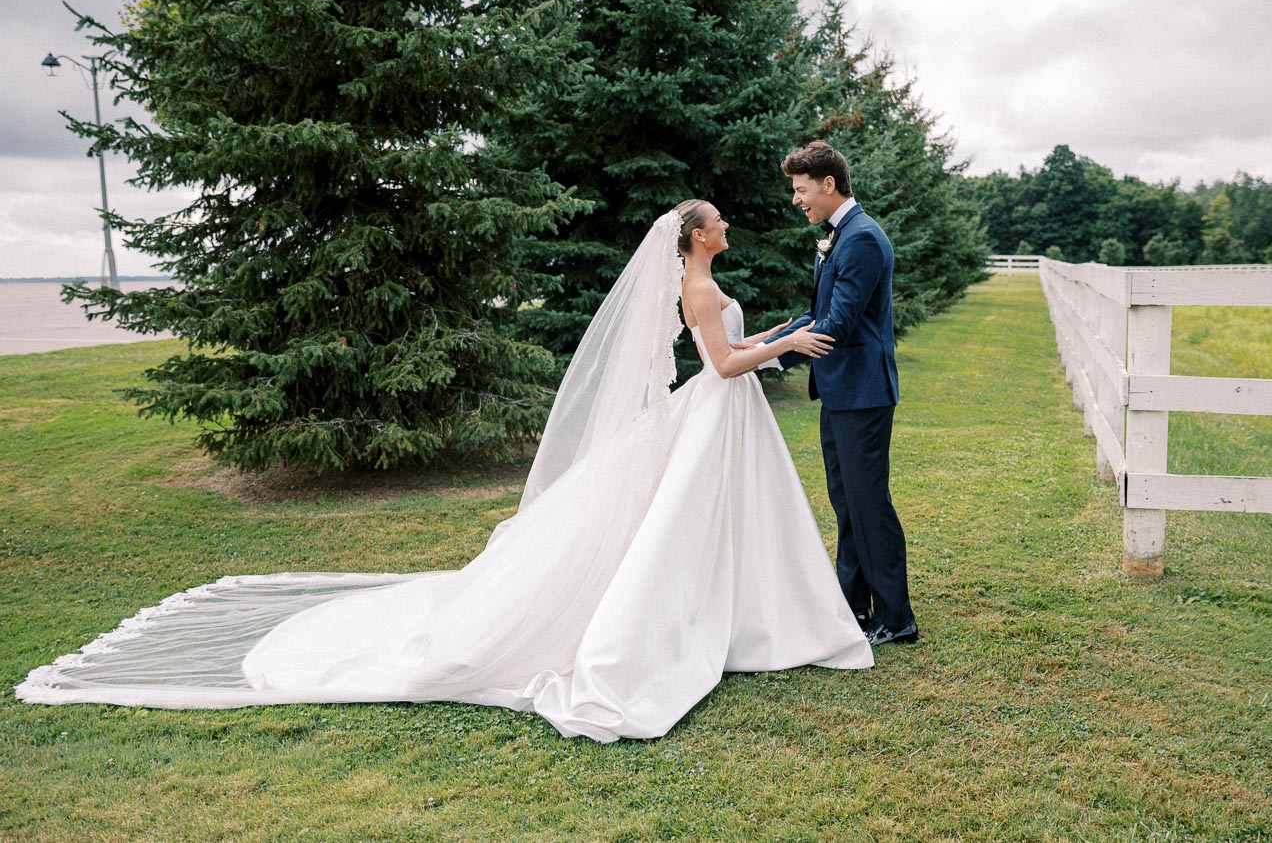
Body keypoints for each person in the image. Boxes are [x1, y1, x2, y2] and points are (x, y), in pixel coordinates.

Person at [16, 204, 872, 743]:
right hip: (717, 409)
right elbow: (717, 364)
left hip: (725, 420)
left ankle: (751, 616)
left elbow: (726, 356)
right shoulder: (692, 288)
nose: (726, 227)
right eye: (715, 222)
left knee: (720, 525)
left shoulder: (706, 279)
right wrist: (783, 346)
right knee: (675, 531)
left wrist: (772, 341)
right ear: (695, 238)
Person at [762, 141, 918, 646]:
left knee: (869, 503)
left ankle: (895, 618)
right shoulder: (841, 235)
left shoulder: (862, 239)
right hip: (840, 390)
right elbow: (817, 313)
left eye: (800, 190)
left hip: (863, 392)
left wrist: (773, 356)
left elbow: (838, 325)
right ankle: (852, 607)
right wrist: (758, 348)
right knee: (847, 502)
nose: (796, 200)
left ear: (828, 185)